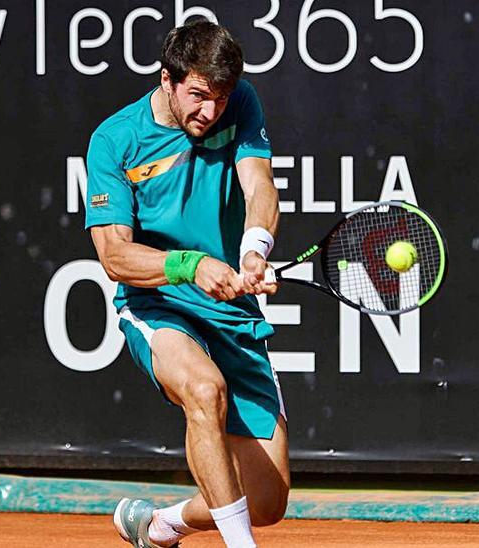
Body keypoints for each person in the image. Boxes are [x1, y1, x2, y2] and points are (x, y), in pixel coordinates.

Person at [85, 21, 286, 548]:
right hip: (159, 303)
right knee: (204, 389)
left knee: (268, 502)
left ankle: (160, 524)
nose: (210, 111)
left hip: (232, 311)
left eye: (220, 98)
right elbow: (115, 255)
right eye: (198, 95)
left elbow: (260, 185)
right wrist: (190, 266)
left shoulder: (241, 102)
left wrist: (253, 250)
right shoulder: (115, 140)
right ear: (167, 79)